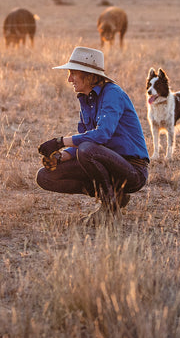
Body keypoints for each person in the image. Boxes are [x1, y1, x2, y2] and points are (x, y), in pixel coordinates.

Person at [36, 46, 149, 222]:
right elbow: (85, 141)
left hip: (133, 169)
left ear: (89, 75)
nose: (69, 79)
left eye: (73, 73)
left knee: (87, 150)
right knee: (44, 176)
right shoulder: (85, 99)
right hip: (104, 161)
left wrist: (60, 141)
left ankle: (110, 208)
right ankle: (115, 195)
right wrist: (61, 157)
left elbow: (101, 136)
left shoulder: (113, 94)